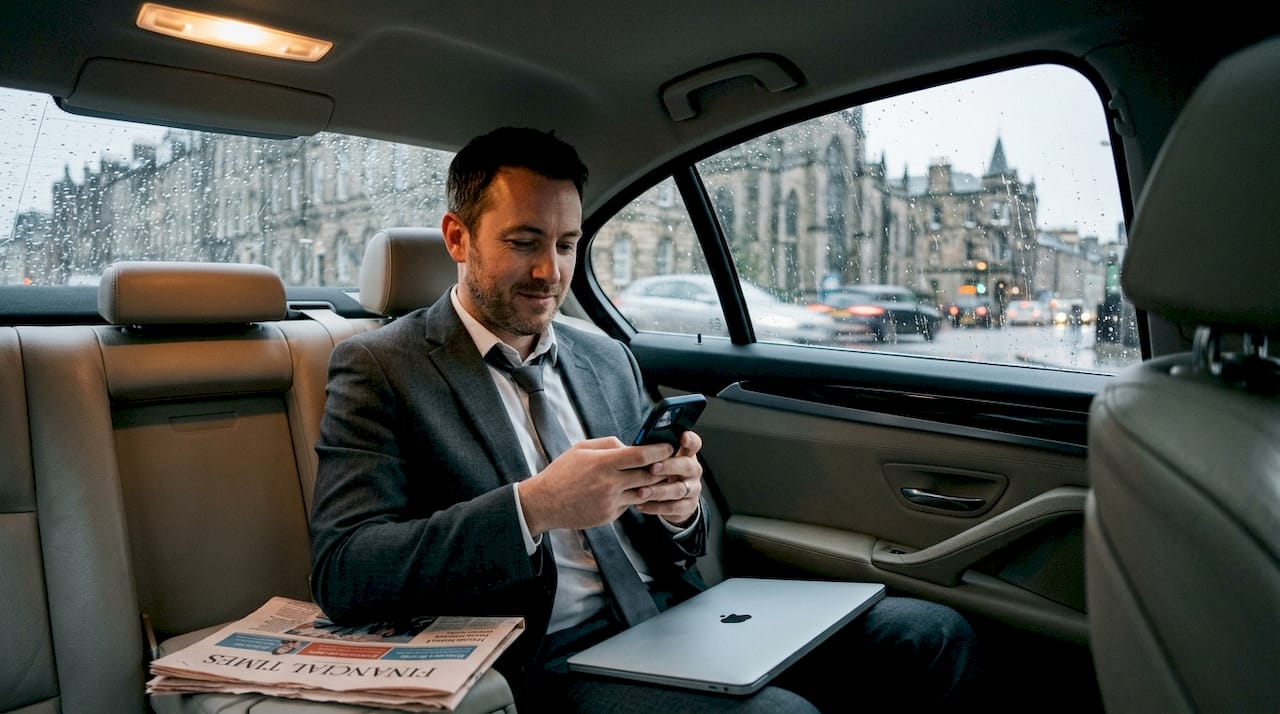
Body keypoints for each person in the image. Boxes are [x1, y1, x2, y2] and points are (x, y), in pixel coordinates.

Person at [309, 126, 980, 712]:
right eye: (523, 242)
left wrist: (680, 510)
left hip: (675, 615)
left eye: (567, 244)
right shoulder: (381, 367)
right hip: (546, 659)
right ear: (458, 238)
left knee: (930, 634)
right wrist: (534, 508)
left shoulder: (606, 357)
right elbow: (344, 570)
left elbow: (680, 541)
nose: (550, 272)